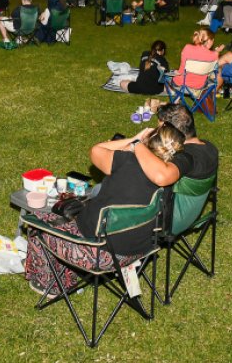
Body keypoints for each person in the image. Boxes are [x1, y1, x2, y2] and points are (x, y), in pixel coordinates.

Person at [23, 125, 186, 297]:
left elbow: (96, 150)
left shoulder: (125, 161)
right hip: (140, 250)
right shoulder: (169, 177)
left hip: (98, 254)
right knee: (65, 220)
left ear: (149, 141)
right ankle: (69, 275)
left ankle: (49, 284)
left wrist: (135, 140)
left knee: (37, 223)